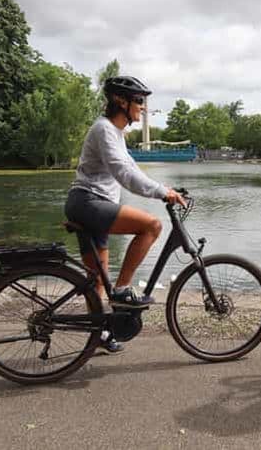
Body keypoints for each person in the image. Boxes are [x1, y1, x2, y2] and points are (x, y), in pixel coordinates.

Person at [65, 75, 187, 353]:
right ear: (121, 101)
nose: (143, 107)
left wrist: (164, 187)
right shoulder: (104, 130)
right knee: (152, 226)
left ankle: (100, 333)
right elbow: (123, 174)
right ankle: (122, 291)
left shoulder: (115, 133)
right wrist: (160, 193)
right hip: (89, 202)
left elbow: (130, 167)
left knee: (96, 281)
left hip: (89, 204)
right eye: (140, 101)